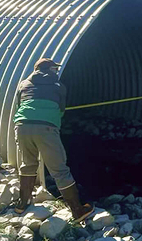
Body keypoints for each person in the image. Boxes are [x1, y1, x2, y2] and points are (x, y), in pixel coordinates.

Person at [12, 57, 94, 222]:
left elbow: (18, 106)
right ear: (49, 70)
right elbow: (61, 111)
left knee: (28, 164)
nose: (56, 71)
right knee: (59, 169)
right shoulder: (59, 87)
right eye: (55, 69)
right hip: (46, 129)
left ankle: (23, 203)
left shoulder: (23, 84)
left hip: (22, 126)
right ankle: (77, 210)